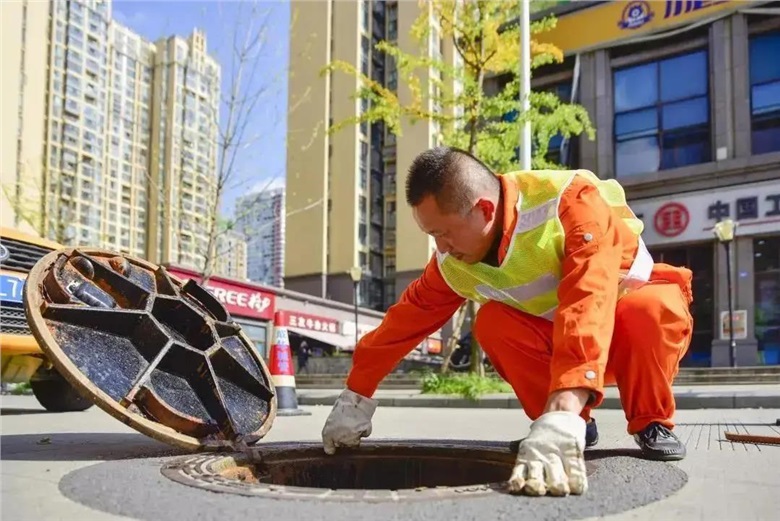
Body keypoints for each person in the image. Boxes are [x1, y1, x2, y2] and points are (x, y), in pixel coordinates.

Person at [321, 146, 693, 497]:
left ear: (484, 209)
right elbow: (403, 322)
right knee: (492, 322)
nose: (442, 248)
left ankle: (650, 421)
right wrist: (356, 395)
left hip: (628, 330)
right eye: (433, 236)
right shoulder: (453, 262)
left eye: (444, 233)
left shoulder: (570, 202)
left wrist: (563, 406)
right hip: (566, 345)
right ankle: (577, 426)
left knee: (645, 311)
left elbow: (589, 299)